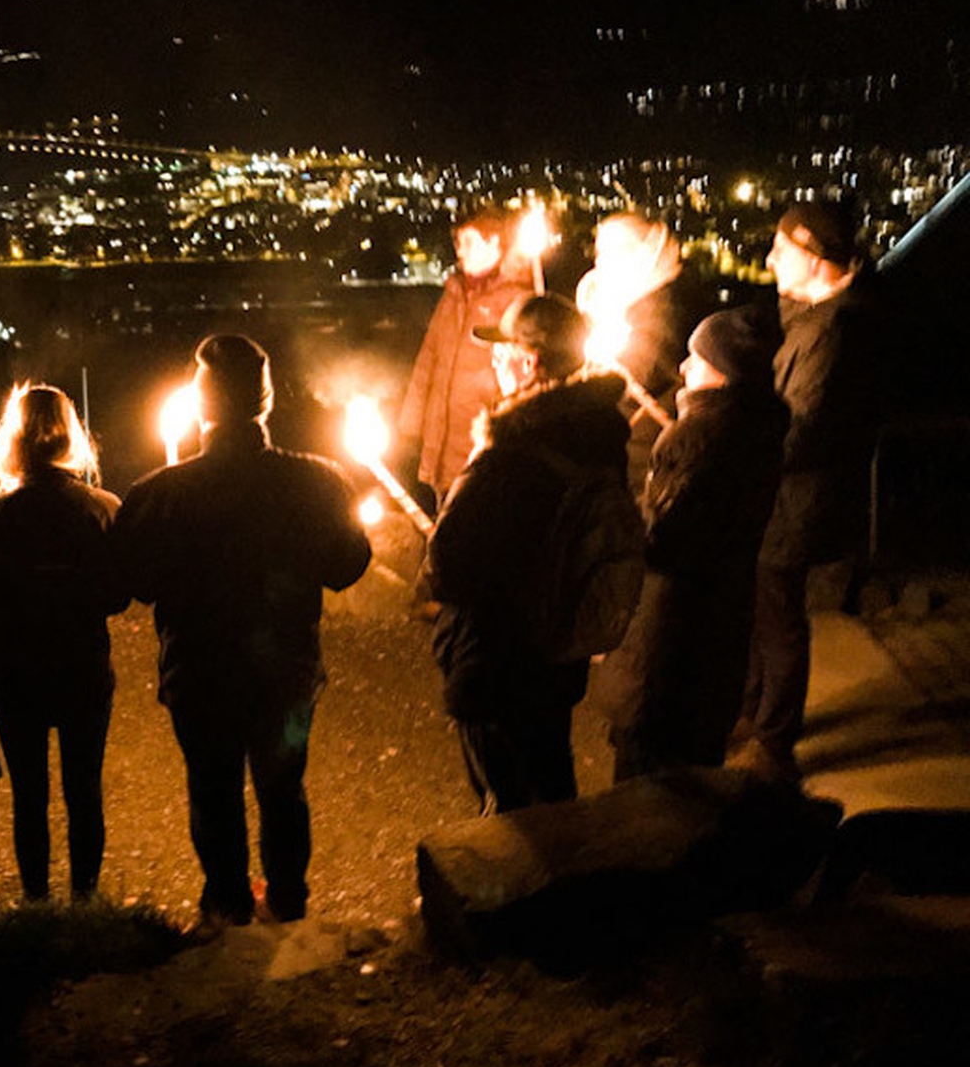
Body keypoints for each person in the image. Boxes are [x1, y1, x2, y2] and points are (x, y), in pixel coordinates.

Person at [111, 335, 371, 930]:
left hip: (198, 671)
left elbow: (132, 582)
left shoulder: (162, 493)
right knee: (284, 787)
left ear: (202, 406)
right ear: (267, 399)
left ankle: (226, 905)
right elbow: (348, 564)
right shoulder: (317, 481)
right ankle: (287, 902)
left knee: (213, 788)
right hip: (287, 670)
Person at [425, 295, 632, 813]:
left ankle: (526, 890)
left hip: (499, 663)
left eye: (503, 353)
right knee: (550, 780)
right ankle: (567, 878)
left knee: (512, 808)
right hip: (555, 656)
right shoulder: (596, 434)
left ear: (530, 362)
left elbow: (449, 564)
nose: (494, 364)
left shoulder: (514, 458)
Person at [591, 308, 787, 780]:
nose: (683, 367)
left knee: (648, 788)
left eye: (696, 359)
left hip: (669, 641)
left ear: (722, 372)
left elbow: (661, 540)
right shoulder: (756, 427)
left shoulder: (699, 437)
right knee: (697, 779)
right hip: (718, 635)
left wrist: (618, 515)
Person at [731, 199, 885, 784]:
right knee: (761, 607)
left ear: (816, 259)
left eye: (782, 249)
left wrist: (738, 445)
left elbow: (805, 427)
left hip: (795, 500)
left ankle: (773, 740)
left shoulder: (836, 331)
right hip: (781, 492)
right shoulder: (814, 312)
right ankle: (750, 714)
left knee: (777, 616)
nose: (770, 259)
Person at [0, 384, 124, 902]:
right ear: (70, 436)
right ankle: (85, 900)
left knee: (28, 795)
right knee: (84, 789)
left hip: (16, 674)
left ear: (12, 438)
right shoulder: (102, 508)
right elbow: (118, 595)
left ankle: (36, 901)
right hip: (82, 666)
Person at [397, 206, 533, 504]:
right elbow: (428, 358)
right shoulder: (454, 293)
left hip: (478, 438)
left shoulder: (517, 300)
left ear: (495, 244)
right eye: (458, 243)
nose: (461, 251)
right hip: (441, 437)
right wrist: (411, 422)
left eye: (469, 242)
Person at [574, 212, 709, 491]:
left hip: (650, 446)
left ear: (638, 255)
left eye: (610, 253)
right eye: (598, 251)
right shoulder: (630, 301)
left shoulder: (662, 310)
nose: (600, 262)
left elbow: (636, 375)